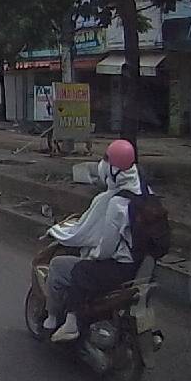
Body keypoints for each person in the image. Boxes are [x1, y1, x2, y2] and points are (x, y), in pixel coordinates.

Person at [43, 139, 144, 342]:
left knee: (63, 266)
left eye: (107, 159)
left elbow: (104, 247)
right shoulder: (143, 191)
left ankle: (62, 322)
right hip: (142, 266)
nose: (102, 164)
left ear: (113, 169)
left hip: (119, 269)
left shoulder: (116, 203)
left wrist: (93, 255)